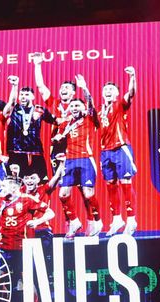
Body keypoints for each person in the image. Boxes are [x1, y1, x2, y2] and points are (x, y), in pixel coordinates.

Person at [57, 78, 103, 237]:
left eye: (78, 105)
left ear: (84, 108)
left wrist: (85, 89)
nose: (74, 107)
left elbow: (91, 104)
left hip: (86, 160)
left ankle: (98, 220)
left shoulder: (90, 118)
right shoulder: (65, 124)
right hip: (70, 161)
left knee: (89, 194)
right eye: (72, 106)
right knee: (62, 194)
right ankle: (75, 221)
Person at [99, 67, 139, 236]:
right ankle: (116, 219)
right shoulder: (101, 111)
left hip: (121, 148)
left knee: (125, 182)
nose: (108, 91)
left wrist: (132, 76)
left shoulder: (120, 105)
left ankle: (131, 219)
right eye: (105, 89)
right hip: (105, 151)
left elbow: (131, 92)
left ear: (116, 94)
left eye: (111, 89)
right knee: (110, 185)